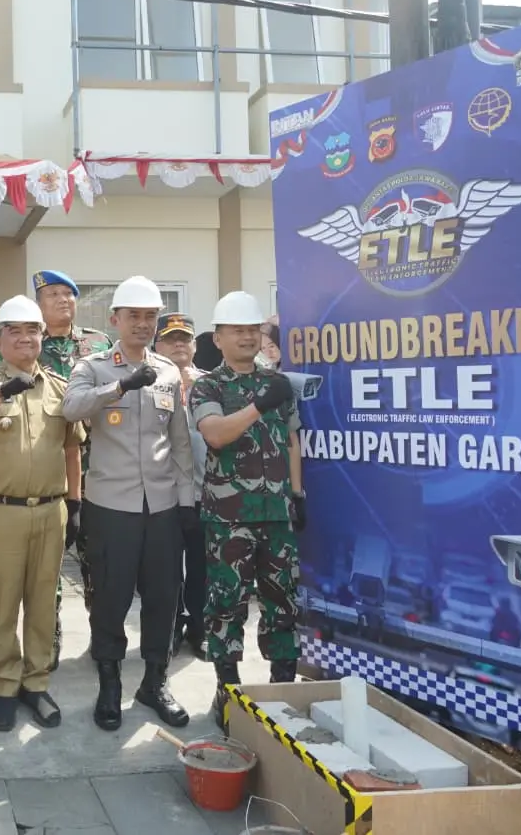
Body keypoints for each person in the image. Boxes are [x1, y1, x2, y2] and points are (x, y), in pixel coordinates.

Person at [62, 277, 196, 731]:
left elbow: (179, 443)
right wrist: (120, 387)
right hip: (110, 505)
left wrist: (185, 503)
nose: (142, 324)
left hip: (160, 504)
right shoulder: (94, 366)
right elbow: (71, 408)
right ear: (115, 319)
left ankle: (155, 681)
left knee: (163, 597)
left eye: (150, 317)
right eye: (133, 316)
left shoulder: (168, 371)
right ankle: (110, 682)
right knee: (111, 598)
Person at [0, 295, 84, 731]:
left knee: (44, 602)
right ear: (0, 337)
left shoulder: (58, 385)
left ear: (42, 336)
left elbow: (72, 448)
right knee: (4, 603)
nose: (26, 338)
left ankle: (37, 682)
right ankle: (5, 686)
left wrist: (76, 503)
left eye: (33, 330)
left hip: (51, 510)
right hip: (0, 511)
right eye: (15, 330)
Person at [188, 291, 305, 726]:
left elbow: (293, 440)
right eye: (236, 330)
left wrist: (298, 494)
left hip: (276, 514)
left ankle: (281, 690)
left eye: (253, 330)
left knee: (283, 605)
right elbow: (215, 434)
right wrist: (258, 406)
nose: (246, 337)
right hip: (228, 518)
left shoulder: (278, 382)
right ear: (218, 338)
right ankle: (229, 692)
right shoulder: (209, 385)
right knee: (227, 606)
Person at [33, 269, 112, 669]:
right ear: (39, 302)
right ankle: (50, 636)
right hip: (47, 465)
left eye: (69, 294)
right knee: (48, 561)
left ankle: (101, 633)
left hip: (97, 468)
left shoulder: (99, 345)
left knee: (95, 557)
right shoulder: (29, 344)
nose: (63, 300)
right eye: (53, 294)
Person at [153, 313, 208, 659]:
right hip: (165, 494)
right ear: (156, 345)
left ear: (195, 345)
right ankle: (170, 629)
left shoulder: (212, 383)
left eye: (184, 339)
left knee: (202, 569)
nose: (178, 345)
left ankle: (199, 629)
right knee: (166, 569)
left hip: (206, 493)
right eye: (171, 339)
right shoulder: (148, 382)